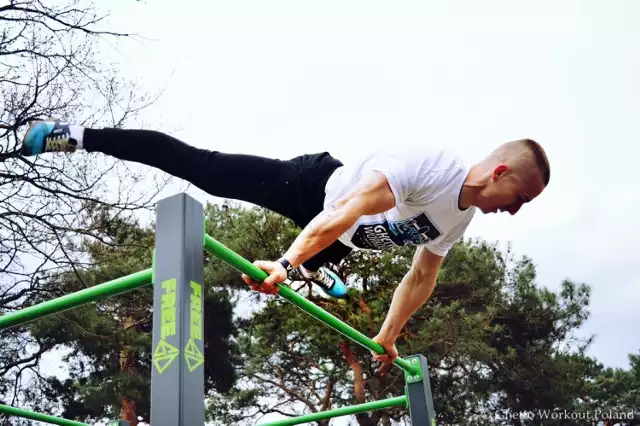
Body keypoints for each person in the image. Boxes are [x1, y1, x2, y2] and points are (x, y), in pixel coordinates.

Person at [19, 119, 550, 364]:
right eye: (519, 198)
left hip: (342, 239)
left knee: (336, 251)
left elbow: (421, 274)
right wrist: (289, 260)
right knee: (205, 168)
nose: (512, 211)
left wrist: (388, 335)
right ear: (501, 171)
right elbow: (345, 210)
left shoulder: (459, 221)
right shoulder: (428, 167)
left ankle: (321, 272)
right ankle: (79, 137)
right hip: (315, 191)